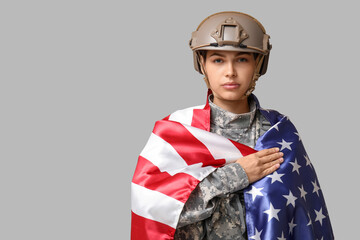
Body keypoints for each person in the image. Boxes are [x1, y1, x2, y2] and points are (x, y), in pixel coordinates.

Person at [131, 11, 334, 240]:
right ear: (202, 64)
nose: (230, 72)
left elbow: (302, 220)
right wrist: (238, 174)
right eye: (218, 60)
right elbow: (157, 213)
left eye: (242, 59)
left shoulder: (278, 132)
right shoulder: (177, 132)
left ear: (258, 64)